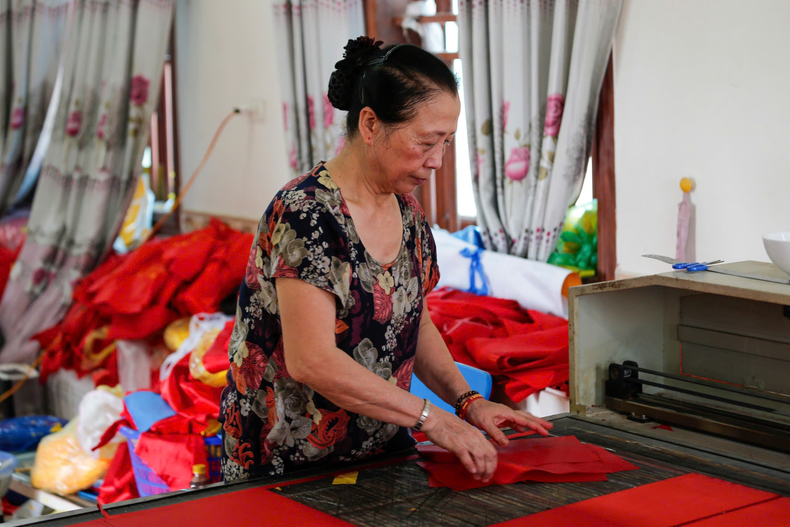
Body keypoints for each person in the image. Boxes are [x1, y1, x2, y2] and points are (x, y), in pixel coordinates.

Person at [219, 36, 552, 485]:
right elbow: (311, 360)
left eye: (447, 143)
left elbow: (417, 323)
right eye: (426, 141)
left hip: (377, 451)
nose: (436, 160)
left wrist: (468, 402)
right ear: (371, 125)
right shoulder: (308, 212)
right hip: (287, 462)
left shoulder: (407, 210)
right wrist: (432, 419)